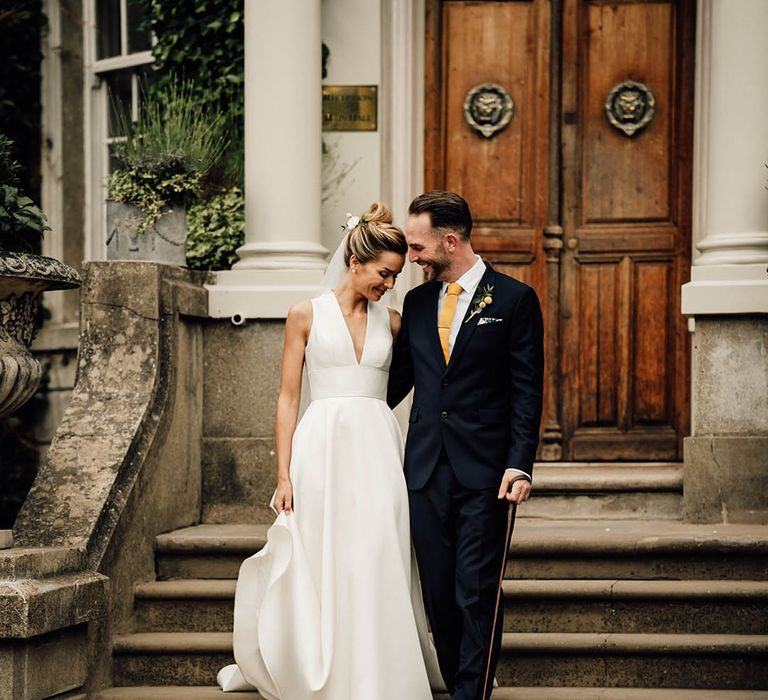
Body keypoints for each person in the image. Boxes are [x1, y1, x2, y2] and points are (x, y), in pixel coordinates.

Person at [217, 202, 443, 699]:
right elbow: (288, 397)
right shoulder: (305, 314)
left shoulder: (397, 323)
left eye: (397, 276)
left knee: (379, 548)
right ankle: (327, 663)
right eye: (384, 273)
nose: (389, 284)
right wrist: (283, 475)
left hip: (379, 446)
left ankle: (379, 669)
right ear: (356, 261)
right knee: (325, 553)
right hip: (320, 447)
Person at [387, 190, 544, 700]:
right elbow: (398, 382)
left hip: (487, 474)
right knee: (438, 592)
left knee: (475, 591)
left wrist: (519, 465)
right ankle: (461, 682)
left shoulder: (515, 300)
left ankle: (470, 694)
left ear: (449, 241)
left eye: (417, 247)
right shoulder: (414, 303)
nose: (411, 258)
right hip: (425, 469)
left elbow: (526, 390)